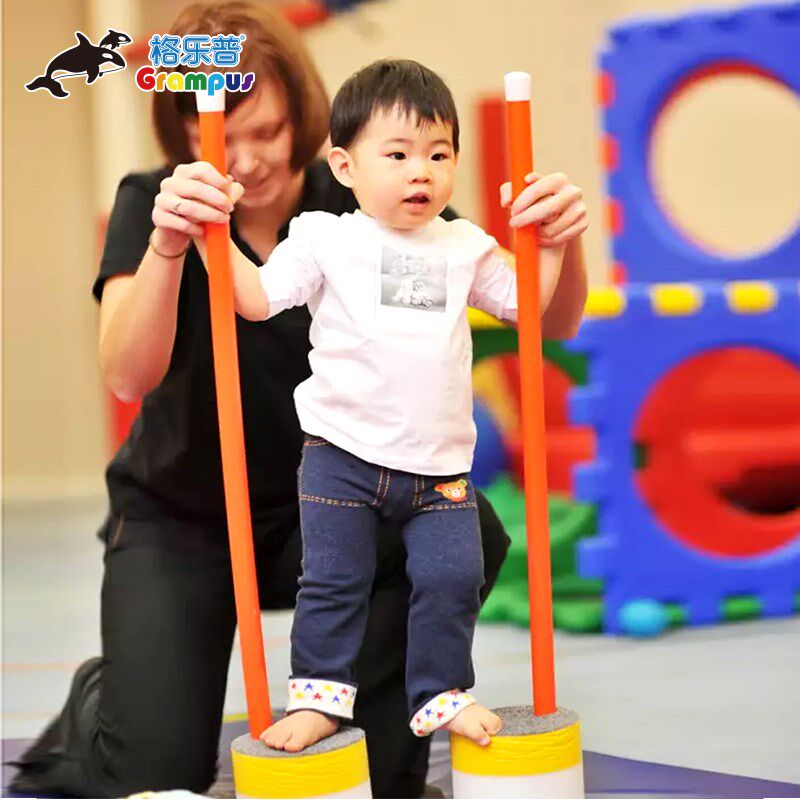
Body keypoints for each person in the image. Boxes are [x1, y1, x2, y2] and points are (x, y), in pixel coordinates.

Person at [8, 2, 588, 798]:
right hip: (184, 522)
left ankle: (381, 747)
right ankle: (102, 701)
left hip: (337, 503)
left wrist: (560, 242)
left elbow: (543, 320)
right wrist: (172, 245)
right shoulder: (158, 200)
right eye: (218, 134)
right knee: (154, 772)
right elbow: (126, 376)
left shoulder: (377, 191)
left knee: (464, 529)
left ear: (312, 126)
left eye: (269, 132)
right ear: (183, 128)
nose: (245, 160)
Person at [204, 58, 574, 754]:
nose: (420, 172)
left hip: (439, 465)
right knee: (334, 581)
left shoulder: (463, 245)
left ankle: (440, 692)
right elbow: (254, 300)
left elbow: (525, 305)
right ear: (345, 167)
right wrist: (213, 235)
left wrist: (549, 246)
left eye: (439, 154)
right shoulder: (325, 237)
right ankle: (318, 700)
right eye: (398, 155)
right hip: (340, 455)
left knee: (454, 577)